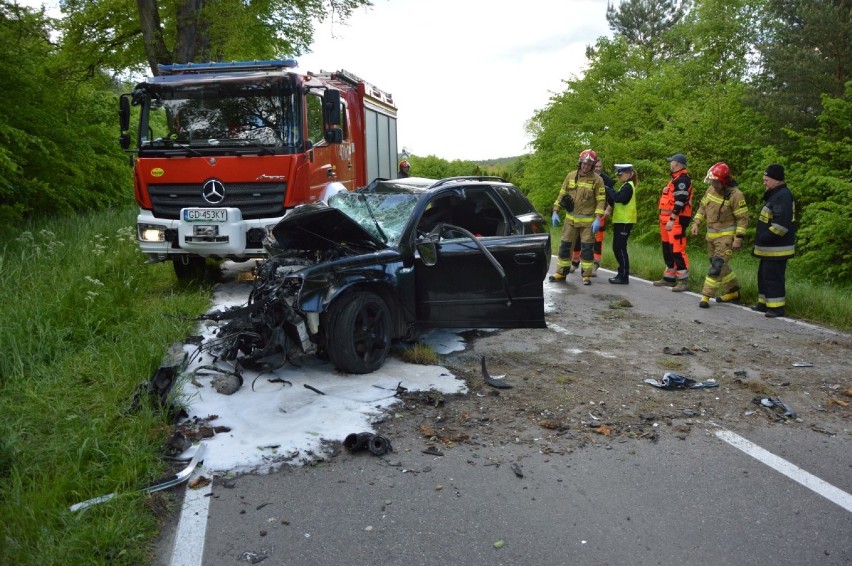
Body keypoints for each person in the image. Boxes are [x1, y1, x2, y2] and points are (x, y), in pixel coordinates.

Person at [690, 162, 749, 308]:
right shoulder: (711, 190)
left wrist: (738, 239)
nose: (713, 185)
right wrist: (696, 223)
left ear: (724, 181)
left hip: (726, 238)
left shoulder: (736, 195)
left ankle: (706, 296)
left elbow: (743, 219)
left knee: (717, 266)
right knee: (721, 266)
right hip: (710, 237)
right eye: (712, 182)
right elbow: (702, 208)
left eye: (716, 182)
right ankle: (733, 291)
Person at [550, 149, 606, 285]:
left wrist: (598, 218)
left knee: (587, 249)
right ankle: (561, 273)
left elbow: (601, 200)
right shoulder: (570, 176)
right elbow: (562, 194)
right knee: (565, 246)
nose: (585, 166)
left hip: (588, 221)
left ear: (592, 166)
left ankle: (586, 275)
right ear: (579, 163)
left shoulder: (597, 180)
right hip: (570, 220)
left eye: (588, 164)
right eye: (583, 163)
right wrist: (555, 211)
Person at [752, 164, 796, 318]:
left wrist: (764, 238)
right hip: (769, 248)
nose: (764, 182)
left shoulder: (782, 196)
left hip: (777, 248)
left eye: (767, 180)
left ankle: (776, 308)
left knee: (773, 277)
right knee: (763, 275)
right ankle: (764, 304)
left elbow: (780, 226)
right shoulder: (775, 194)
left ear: (777, 180)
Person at [654, 153, 693, 292]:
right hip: (666, 220)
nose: (670, 164)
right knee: (667, 248)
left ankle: (683, 280)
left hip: (675, 220)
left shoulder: (682, 180)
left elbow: (680, 201)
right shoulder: (674, 179)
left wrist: (672, 219)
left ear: (676, 163)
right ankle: (669, 277)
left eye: (671, 162)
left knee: (677, 249)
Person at [606, 164, 638, 284]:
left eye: (621, 174)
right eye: (618, 174)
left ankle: (624, 275)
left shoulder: (628, 186)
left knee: (619, 248)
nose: (619, 177)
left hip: (625, 221)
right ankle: (621, 273)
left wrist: (608, 189)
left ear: (629, 173)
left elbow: (620, 199)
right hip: (620, 221)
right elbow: (615, 200)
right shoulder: (624, 186)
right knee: (618, 248)